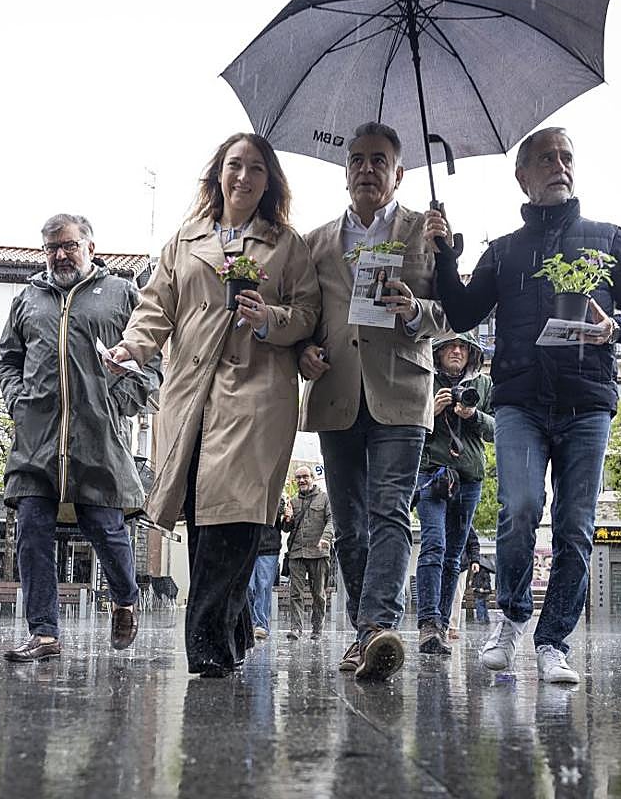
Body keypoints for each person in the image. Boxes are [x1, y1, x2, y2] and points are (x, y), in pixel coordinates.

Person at [433, 127, 621, 684]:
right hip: (520, 402)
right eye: (547, 159)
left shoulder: (607, 238)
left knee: (576, 525)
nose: (560, 165)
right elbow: (460, 313)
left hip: (586, 402)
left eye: (567, 157)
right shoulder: (504, 251)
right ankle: (510, 618)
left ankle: (552, 641)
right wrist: (442, 255)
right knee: (519, 509)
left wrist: (614, 327)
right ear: (522, 176)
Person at [106, 133, 320, 677]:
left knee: (237, 512)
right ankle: (237, 626)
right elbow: (158, 303)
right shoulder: (186, 239)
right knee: (203, 512)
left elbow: (308, 314)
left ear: (269, 181)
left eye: (255, 168)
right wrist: (132, 344)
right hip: (192, 389)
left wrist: (269, 317)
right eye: (234, 166)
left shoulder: (285, 244)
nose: (243, 177)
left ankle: (208, 645)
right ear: (217, 175)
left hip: (258, 390)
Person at [296, 121, 450, 682]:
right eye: (357, 159)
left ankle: (372, 629)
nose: (366, 168)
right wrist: (304, 356)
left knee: (390, 512)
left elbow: (452, 314)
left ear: (399, 172)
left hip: (402, 391)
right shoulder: (314, 242)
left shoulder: (427, 233)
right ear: (344, 172)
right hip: (338, 392)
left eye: (378, 160)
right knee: (351, 524)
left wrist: (415, 312)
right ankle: (370, 633)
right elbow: (307, 321)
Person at [0, 214, 161, 662]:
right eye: (52, 247)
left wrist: (119, 399)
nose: (60, 254)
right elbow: (8, 358)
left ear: (91, 246)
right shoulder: (28, 299)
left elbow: (153, 360)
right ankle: (43, 632)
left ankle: (125, 598)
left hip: (97, 437)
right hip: (37, 439)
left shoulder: (122, 295)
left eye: (69, 245)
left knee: (106, 531)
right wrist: (18, 400)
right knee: (32, 529)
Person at [415, 333, 494, 655]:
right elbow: (404, 425)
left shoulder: (485, 385)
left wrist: (472, 415)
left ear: (471, 353)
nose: (457, 351)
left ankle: (443, 625)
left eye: (463, 347)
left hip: (469, 476)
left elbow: (496, 429)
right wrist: (430, 413)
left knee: (454, 555)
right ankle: (428, 623)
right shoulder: (424, 379)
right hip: (430, 472)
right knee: (433, 543)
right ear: (438, 352)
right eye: (450, 346)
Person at [283, 465, 333, 641]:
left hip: (318, 553)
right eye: (298, 477)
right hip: (296, 553)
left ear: (312, 478)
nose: (302, 480)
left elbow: (331, 520)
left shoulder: (325, 498)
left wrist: (326, 538)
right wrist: (287, 518)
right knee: (295, 593)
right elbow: (287, 529)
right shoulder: (293, 501)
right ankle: (296, 628)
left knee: (318, 594)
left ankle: (317, 629)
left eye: (305, 476)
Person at [246, 497, 286, 641]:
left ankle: (261, 625)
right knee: (247, 587)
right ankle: (248, 624)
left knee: (263, 587)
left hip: (269, 548)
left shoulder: (277, 497)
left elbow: (282, 522)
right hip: (248, 547)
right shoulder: (246, 492)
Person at [447, 525, 481, 640]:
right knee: (442, 596)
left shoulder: (465, 520)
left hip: (460, 564)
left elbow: (474, 543)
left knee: (457, 596)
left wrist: (475, 560)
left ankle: (453, 627)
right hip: (442, 563)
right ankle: (440, 625)